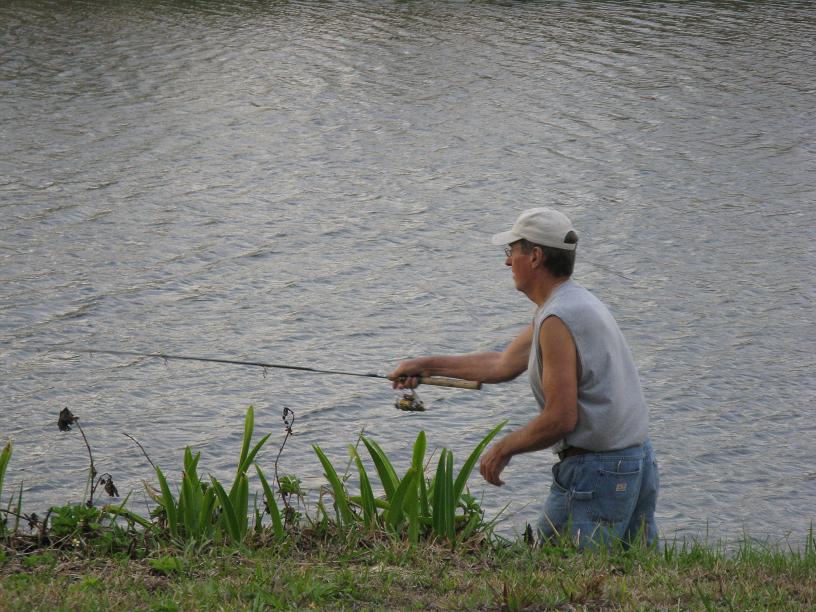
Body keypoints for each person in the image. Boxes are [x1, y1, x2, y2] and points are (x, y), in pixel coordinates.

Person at [389, 207, 659, 548]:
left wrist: (503, 449)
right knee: (624, 583)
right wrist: (425, 365)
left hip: (599, 472)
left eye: (511, 251)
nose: (506, 263)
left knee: (562, 582)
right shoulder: (571, 304)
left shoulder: (558, 318)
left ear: (534, 256)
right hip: (635, 460)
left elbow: (561, 418)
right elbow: (501, 364)